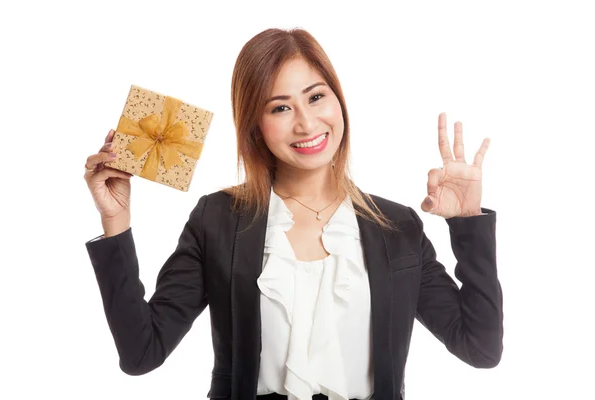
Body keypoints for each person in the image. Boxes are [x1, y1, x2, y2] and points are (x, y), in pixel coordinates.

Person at [83, 28, 503, 400]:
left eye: (316, 97)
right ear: (255, 127)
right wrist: (115, 222)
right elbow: (142, 353)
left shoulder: (396, 226)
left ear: (338, 102)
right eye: (280, 108)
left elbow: (480, 349)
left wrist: (467, 222)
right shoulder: (219, 218)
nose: (306, 123)